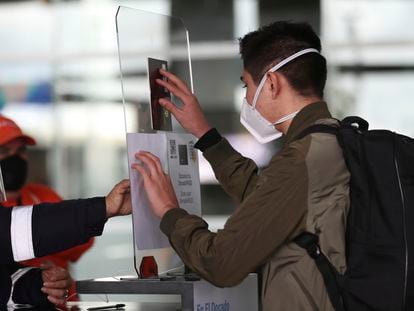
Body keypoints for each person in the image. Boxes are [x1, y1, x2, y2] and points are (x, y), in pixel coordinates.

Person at [132, 21, 350, 310]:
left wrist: (170, 213)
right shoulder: (335, 141)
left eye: (246, 85)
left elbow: (220, 262)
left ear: (271, 83)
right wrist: (207, 137)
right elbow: (268, 199)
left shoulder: (302, 160)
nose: (247, 98)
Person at [0, 114, 94, 301]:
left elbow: (84, 237)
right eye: (4, 151)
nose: (15, 158)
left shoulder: (42, 195)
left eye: (21, 151)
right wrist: (47, 240)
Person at [0, 179, 131, 308]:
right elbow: (13, 231)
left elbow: (7, 286)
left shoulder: (39, 193)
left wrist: (42, 284)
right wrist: (104, 207)